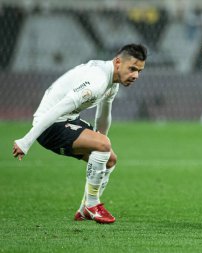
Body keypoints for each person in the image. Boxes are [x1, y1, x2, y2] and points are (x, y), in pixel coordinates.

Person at [12, 44, 147, 224]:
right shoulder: (96, 82)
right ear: (117, 62)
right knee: (103, 146)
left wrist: (102, 142)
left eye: (139, 71)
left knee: (110, 159)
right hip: (50, 126)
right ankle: (92, 205)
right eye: (132, 69)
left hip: (68, 120)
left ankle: (85, 209)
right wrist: (26, 141)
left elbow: (103, 116)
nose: (136, 75)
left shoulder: (111, 81)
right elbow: (57, 108)